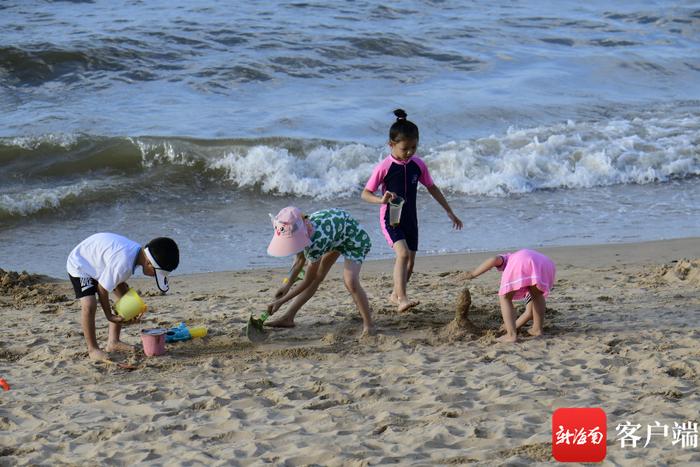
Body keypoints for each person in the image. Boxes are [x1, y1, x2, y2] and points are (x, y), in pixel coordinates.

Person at [362, 109, 463, 312]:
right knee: (403, 254)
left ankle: (395, 294)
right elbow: (365, 193)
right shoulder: (385, 167)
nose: (409, 152)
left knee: (410, 265)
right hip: (391, 218)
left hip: (411, 219)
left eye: (414, 147)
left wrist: (449, 211)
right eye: (405, 148)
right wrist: (380, 200)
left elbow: (432, 188)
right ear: (391, 145)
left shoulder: (418, 165)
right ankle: (402, 299)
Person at [66, 233, 179, 361]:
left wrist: (131, 309)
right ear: (148, 263)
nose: (154, 276)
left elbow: (117, 280)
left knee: (124, 298)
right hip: (81, 263)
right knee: (89, 305)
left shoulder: (137, 254)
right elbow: (102, 289)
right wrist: (109, 315)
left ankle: (113, 342)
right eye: (156, 273)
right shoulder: (124, 262)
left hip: (100, 261)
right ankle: (93, 349)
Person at [265, 206, 375, 337]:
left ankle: (369, 325)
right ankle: (288, 317)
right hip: (336, 236)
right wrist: (286, 284)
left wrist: (281, 301)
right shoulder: (303, 228)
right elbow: (300, 260)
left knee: (350, 281)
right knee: (318, 277)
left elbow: (307, 280)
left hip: (354, 240)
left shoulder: (315, 242)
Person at [462, 249, 556, 343]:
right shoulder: (530, 281)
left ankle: (511, 335)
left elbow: (494, 259)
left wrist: (472, 274)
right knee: (537, 296)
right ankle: (537, 329)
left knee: (505, 297)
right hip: (546, 264)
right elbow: (529, 313)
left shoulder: (507, 258)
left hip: (523, 260)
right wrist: (513, 325)